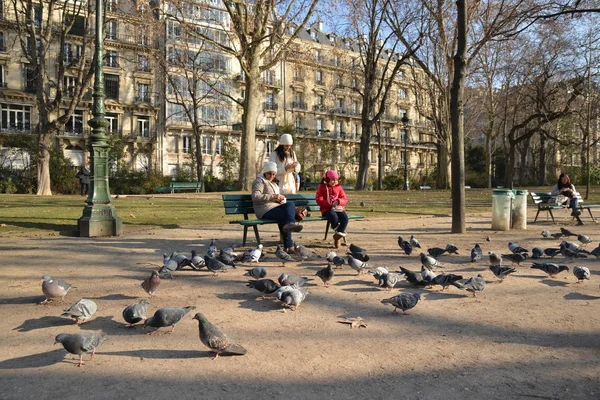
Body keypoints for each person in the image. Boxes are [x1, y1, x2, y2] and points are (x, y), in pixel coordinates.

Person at [252, 161, 303, 253]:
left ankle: (290, 227)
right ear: (265, 172)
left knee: (290, 205)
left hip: (274, 207)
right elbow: (255, 197)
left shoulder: (274, 183)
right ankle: (289, 246)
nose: (271, 176)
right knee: (286, 216)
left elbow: (276, 198)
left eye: (273, 174)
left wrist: (280, 198)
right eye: (269, 173)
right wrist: (273, 196)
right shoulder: (259, 181)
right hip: (264, 210)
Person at [315, 170, 349, 248]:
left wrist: (338, 201)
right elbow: (319, 200)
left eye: (336, 180)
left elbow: (344, 198)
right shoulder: (322, 187)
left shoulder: (339, 187)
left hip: (339, 208)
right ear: (327, 180)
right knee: (333, 216)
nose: (334, 182)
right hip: (327, 210)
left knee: (345, 218)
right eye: (332, 180)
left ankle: (337, 235)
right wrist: (330, 204)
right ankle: (339, 234)